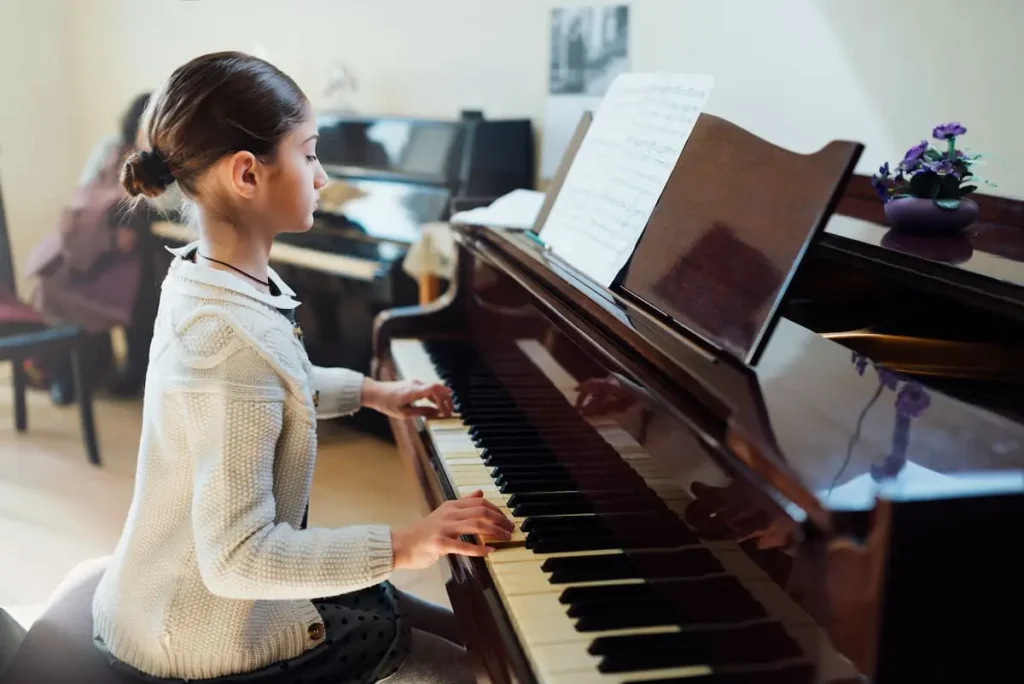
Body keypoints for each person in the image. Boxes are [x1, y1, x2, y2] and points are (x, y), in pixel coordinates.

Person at [91, 51, 513, 684]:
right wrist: (408, 542)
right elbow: (237, 558)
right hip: (197, 639)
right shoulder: (227, 344)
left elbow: (277, 385)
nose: (322, 177)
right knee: (472, 668)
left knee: (474, 635)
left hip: (175, 592)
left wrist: (374, 392)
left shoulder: (209, 278)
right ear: (247, 174)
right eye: (310, 153)